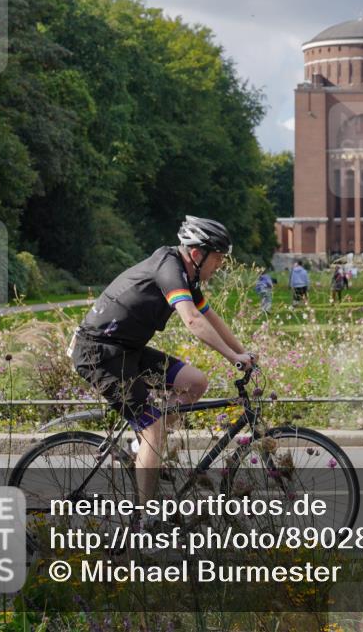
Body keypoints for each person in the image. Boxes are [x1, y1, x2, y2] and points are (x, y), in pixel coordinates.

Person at [69, 216, 255, 515]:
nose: (220, 265)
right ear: (197, 254)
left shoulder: (186, 274)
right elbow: (192, 320)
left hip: (128, 349)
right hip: (99, 353)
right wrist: (233, 359)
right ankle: (145, 522)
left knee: (194, 383)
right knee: (154, 427)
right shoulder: (168, 268)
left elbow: (210, 317)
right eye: (218, 258)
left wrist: (244, 352)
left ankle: (140, 448)